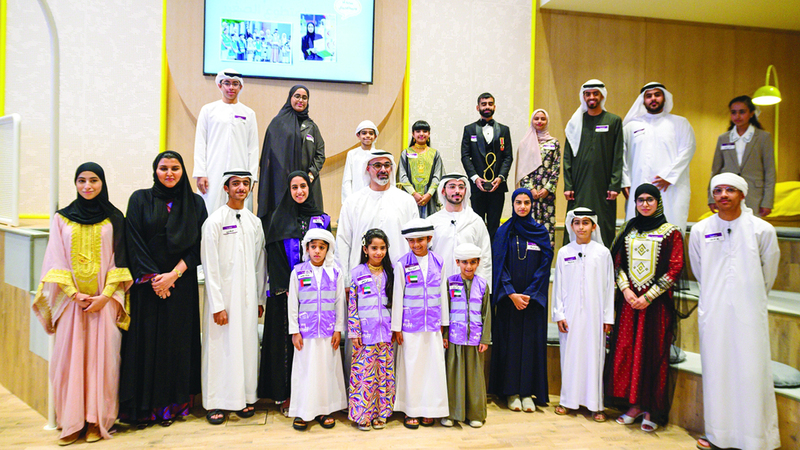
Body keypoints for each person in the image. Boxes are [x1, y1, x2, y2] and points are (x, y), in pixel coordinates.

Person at [32, 163, 132, 445]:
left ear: (103, 183)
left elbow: (120, 259)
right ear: (75, 184)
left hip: (104, 303)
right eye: (82, 180)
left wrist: (105, 296)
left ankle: (96, 421)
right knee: (69, 361)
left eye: (94, 180)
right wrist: (74, 294)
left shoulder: (115, 217)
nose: (88, 186)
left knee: (103, 362)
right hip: (72, 304)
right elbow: (55, 258)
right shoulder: (61, 218)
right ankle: (72, 421)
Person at [690, 173, 780, 450]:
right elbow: (699, 269)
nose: (723, 195)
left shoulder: (762, 230)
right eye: (718, 190)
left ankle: (755, 439)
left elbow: (769, 271)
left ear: (742, 194)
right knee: (717, 370)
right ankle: (718, 435)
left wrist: (749, 296)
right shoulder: (701, 230)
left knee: (752, 371)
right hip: (714, 310)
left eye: (730, 190)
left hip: (749, 310)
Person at [119, 151, 207, 427]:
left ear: (183, 171)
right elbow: (133, 241)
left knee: (175, 347)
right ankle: (145, 409)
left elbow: (200, 246)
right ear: (155, 171)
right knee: (147, 347)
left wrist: (173, 275)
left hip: (181, 286)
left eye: (175, 168)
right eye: (164, 168)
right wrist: (156, 279)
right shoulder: (139, 200)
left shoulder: (195, 203)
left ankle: (172, 407)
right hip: (148, 288)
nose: (169, 173)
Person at [604, 183, 684, 432]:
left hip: (656, 306)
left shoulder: (671, 233)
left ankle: (651, 408)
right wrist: (627, 291)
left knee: (652, 353)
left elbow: (675, 268)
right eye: (640, 200)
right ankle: (634, 405)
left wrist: (648, 297)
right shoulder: (629, 229)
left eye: (650, 199)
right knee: (628, 352)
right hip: (629, 305)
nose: (645, 204)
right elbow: (617, 263)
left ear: (658, 202)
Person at [258, 171, 330, 415]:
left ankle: (313, 394)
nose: (299, 191)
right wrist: (288, 287)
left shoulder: (321, 218)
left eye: (303, 186)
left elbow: (327, 254)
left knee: (312, 346)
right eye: (294, 187)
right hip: (286, 295)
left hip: (316, 295)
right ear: (288, 190)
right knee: (286, 346)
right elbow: (274, 256)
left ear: (310, 188)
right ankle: (286, 394)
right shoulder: (277, 218)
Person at [200, 171, 266, 425]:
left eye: (245, 183)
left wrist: (259, 299)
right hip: (223, 300)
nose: (241, 188)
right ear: (226, 188)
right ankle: (216, 402)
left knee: (246, 347)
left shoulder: (254, 222)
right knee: (221, 350)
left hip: (248, 300)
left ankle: (245, 397)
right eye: (235, 183)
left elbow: (260, 263)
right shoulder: (214, 221)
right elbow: (210, 266)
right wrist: (217, 305)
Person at [489, 188, 553, 413]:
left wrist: (530, 293)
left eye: (526, 202)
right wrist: (511, 293)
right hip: (509, 301)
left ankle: (527, 392)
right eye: (518, 202)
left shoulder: (540, 232)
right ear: (513, 204)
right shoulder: (504, 231)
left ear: (532, 205)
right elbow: (499, 263)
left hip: (532, 302)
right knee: (511, 345)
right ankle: (511, 393)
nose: (523, 206)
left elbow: (545, 264)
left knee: (530, 346)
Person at [552, 208, 613, 422]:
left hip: (595, 316)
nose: (581, 227)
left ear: (593, 226)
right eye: (577, 223)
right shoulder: (564, 252)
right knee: (570, 357)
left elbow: (609, 288)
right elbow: (558, 286)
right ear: (571, 226)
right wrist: (559, 314)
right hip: (570, 317)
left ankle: (596, 405)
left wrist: (608, 317)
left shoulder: (603, 253)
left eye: (585, 223)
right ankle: (567, 401)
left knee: (594, 358)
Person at [287, 229, 347, 430]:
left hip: (328, 333)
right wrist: (294, 331)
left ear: (328, 250)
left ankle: (324, 410)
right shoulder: (297, 272)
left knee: (326, 372)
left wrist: (338, 329)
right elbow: (293, 304)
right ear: (307, 248)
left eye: (322, 247)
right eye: (313, 247)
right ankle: (303, 411)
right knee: (306, 372)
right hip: (305, 333)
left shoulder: (335, 272)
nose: (317, 251)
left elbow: (339, 302)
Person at [391, 219, 449, 428]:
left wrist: (444, 323)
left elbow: (443, 293)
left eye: (420, 240)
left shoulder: (439, 262)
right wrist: (397, 327)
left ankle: (431, 409)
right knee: (412, 368)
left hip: (433, 325)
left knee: (433, 368)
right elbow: (398, 296)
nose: (416, 244)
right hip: (410, 326)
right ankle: (411, 410)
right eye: (411, 241)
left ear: (429, 238)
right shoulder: (402, 264)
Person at [336, 149, 419, 289]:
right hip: (361, 281)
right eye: (377, 165)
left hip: (400, 279)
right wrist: (344, 281)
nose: (383, 169)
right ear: (367, 169)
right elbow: (343, 242)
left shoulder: (407, 201)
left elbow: (415, 242)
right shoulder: (353, 202)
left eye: (387, 165)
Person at [622, 82, 696, 231]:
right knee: (637, 230)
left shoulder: (680, 123)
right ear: (643, 100)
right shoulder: (631, 126)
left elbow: (688, 149)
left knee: (671, 227)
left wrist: (669, 176)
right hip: (638, 185)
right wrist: (625, 182)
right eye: (649, 96)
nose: (653, 99)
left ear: (664, 97)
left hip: (670, 187)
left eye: (657, 94)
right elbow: (621, 156)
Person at [563, 79, 624, 247]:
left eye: (595, 93)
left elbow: (618, 155)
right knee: (577, 221)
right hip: (579, 186)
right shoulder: (576, 122)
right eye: (588, 94)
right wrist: (568, 185)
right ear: (583, 97)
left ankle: (605, 260)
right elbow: (567, 156)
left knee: (603, 224)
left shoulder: (613, 121)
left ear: (602, 96)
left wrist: (615, 184)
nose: (591, 97)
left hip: (604, 187)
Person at [347, 228, 396, 431]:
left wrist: (396, 328)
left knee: (383, 376)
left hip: (385, 333)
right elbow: (352, 304)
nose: (378, 252)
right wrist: (354, 331)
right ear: (365, 249)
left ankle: (381, 414)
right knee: (364, 376)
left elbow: (396, 303)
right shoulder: (357, 273)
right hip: (364, 334)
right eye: (374, 248)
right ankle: (363, 415)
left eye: (382, 248)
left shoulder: (391, 272)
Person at [193, 70, 259, 214]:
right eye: (227, 83)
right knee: (210, 211)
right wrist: (200, 173)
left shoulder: (249, 114)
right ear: (219, 85)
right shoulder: (208, 110)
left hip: (240, 173)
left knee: (238, 214)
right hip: (212, 172)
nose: (231, 87)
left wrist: (252, 177)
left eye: (235, 84)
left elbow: (253, 148)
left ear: (240, 87)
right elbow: (200, 143)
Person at [258, 85, 325, 225]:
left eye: (304, 97)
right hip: (282, 186)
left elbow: (320, 154)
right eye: (297, 96)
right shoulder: (277, 124)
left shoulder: (312, 127)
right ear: (290, 98)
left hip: (308, 184)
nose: (301, 100)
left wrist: (310, 175)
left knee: (309, 225)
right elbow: (270, 155)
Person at [441, 243, 491, 428]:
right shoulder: (450, 282)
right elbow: (445, 311)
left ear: (478, 263)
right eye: (464, 262)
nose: (468, 266)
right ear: (457, 262)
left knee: (474, 378)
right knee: (453, 377)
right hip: (455, 338)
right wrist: (445, 335)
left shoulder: (483, 285)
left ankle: (475, 414)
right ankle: (452, 414)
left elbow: (487, 314)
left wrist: (485, 338)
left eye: (472, 262)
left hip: (475, 339)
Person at [707, 95, 776, 218]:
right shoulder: (724, 138)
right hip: (728, 193)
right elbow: (715, 170)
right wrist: (711, 198)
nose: (737, 116)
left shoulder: (763, 137)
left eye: (742, 112)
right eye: (733, 112)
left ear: (751, 113)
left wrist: (767, 202)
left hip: (755, 194)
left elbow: (770, 171)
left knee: (751, 227)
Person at [460, 92, 513, 240]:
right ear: (478, 107)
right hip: (477, 186)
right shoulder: (469, 129)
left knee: (494, 224)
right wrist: (475, 178)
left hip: (498, 186)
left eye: (490, 104)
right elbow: (465, 156)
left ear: (494, 107)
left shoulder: (504, 130)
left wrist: (500, 178)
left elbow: (508, 157)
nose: (487, 107)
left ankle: (493, 253)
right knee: (477, 223)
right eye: (484, 104)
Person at [429, 173, 492, 285]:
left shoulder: (475, 221)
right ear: (443, 191)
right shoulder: (432, 222)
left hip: (469, 286)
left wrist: (483, 287)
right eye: (452, 187)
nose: (457, 191)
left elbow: (485, 257)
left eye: (461, 187)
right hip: (439, 285)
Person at [516, 109, 560, 248]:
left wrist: (548, 188)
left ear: (547, 121)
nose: (539, 121)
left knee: (547, 230)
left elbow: (556, 167)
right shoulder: (525, 143)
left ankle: (545, 260)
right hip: (529, 195)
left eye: (543, 119)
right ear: (532, 121)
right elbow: (521, 169)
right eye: (536, 118)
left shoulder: (554, 142)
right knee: (529, 227)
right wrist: (530, 189)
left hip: (547, 195)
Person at [398, 120, 445, 218]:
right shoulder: (406, 153)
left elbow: (437, 175)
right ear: (413, 134)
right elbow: (402, 176)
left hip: (429, 198)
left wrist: (429, 194)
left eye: (425, 131)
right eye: (418, 131)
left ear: (429, 134)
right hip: (409, 196)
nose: (421, 134)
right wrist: (414, 194)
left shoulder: (435, 154)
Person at [341, 120, 379, 205]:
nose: (367, 136)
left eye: (371, 133)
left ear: (375, 136)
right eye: (364, 133)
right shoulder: (352, 154)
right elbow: (347, 179)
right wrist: (348, 200)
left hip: (374, 198)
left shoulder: (378, 155)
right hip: (356, 198)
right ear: (358, 135)